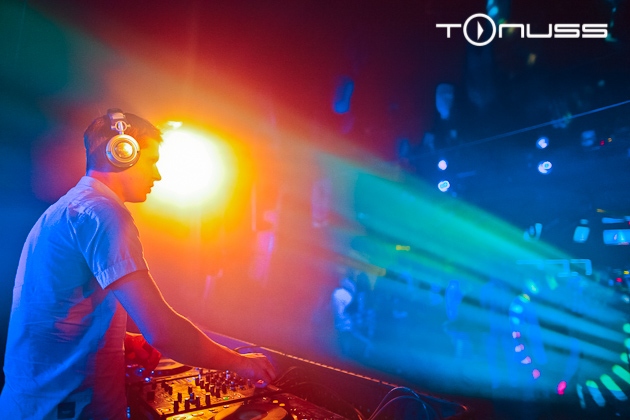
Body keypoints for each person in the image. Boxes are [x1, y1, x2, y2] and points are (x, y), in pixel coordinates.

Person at [0, 109, 276, 419]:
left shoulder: (66, 210)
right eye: (152, 161)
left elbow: (56, 312)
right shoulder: (103, 214)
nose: (157, 175)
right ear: (123, 153)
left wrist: (120, 340)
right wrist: (242, 364)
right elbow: (164, 331)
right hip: (67, 409)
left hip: (35, 405)